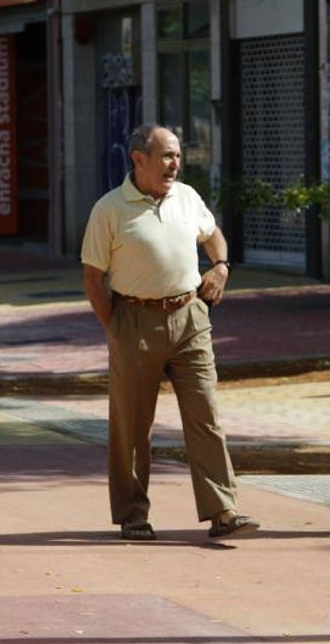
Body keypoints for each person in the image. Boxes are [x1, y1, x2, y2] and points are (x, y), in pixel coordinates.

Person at [81, 123, 259, 541]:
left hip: (190, 317)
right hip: (134, 321)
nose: (175, 163)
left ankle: (222, 511)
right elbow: (92, 278)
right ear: (138, 159)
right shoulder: (109, 209)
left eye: (178, 155)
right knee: (131, 426)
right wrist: (116, 328)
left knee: (206, 416)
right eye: (166, 155)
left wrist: (220, 266)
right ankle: (132, 514)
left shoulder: (187, 198)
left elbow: (213, 235)